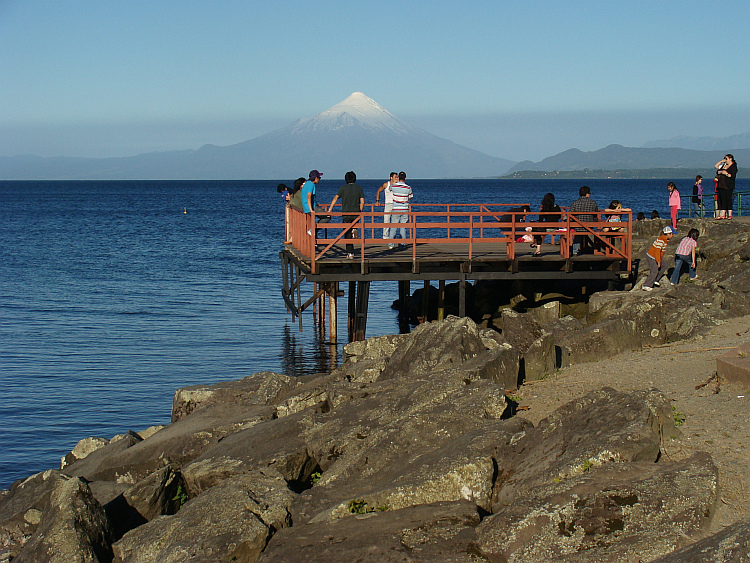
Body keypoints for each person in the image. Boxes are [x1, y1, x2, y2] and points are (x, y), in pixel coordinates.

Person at [328, 171, 365, 259]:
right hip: (356, 213)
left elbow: (336, 197)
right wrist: (359, 211)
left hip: (346, 213)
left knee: (347, 233)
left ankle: (350, 253)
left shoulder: (343, 188)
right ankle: (354, 229)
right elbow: (362, 202)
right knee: (354, 226)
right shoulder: (359, 188)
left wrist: (330, 209)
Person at [643, 226, 676, 291]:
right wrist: (658, 261)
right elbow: (657, 251)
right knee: (654, 271)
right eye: (672, 234)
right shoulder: (661, 240)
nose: (673, 235)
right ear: (668, 233)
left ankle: (656, 279)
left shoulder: (665, 240)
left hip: (657, 256)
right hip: (652, 256)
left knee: (664, 266)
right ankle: (646, 285)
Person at [569, 186, 599, 255]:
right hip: (589, 227)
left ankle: (574, 251)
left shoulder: (575, 203)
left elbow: (571, 215)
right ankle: (592, 248)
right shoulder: (593, 203)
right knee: (585, 232)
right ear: (587, 194)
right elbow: (595, 214)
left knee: (578, 234)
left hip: (577, 226)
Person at [301, 170, 330, 236]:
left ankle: (313, 232)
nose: (319, 179)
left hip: (307, 206)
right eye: (319, 178)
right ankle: (313, 230)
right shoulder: (311, 184)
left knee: (324, 216)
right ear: (316, 178)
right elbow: (308, 196)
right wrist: (311, 210)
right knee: (327, 217)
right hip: (311, 206)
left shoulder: (307, 184)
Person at [388, 171, 413, 248]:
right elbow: (410, 197)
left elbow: (389, 189)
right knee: (403, 227)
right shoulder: (408, 188)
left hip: (395, 208)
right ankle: (402, 244)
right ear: (405, 178)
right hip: (405, 209)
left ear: (398, 178)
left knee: (393, 227)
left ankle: (391, 244)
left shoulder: (394, 186)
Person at [375, 172, 398, 241]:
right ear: (391, 177)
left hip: (395, 204)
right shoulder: (386, 184)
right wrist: (377, 201)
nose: (396, 178)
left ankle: (393, 236)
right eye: (395, 177)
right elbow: (378, 191)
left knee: (395, 221)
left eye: (397, 177)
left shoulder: (397, 185)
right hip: (388, 204)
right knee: (386, 220)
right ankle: (385, 236)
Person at [715, 154, 738, 219]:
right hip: (721, 185)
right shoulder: (724, 165)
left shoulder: (733, 167)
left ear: (730, 159)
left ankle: (729, 214)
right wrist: (721, 161)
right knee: (722, 199)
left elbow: (732, 176)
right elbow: (716, 166)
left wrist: (726, 174)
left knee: (728, 199)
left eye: (726, 159)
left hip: (728, 186)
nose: (725, 160)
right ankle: (722, 214)